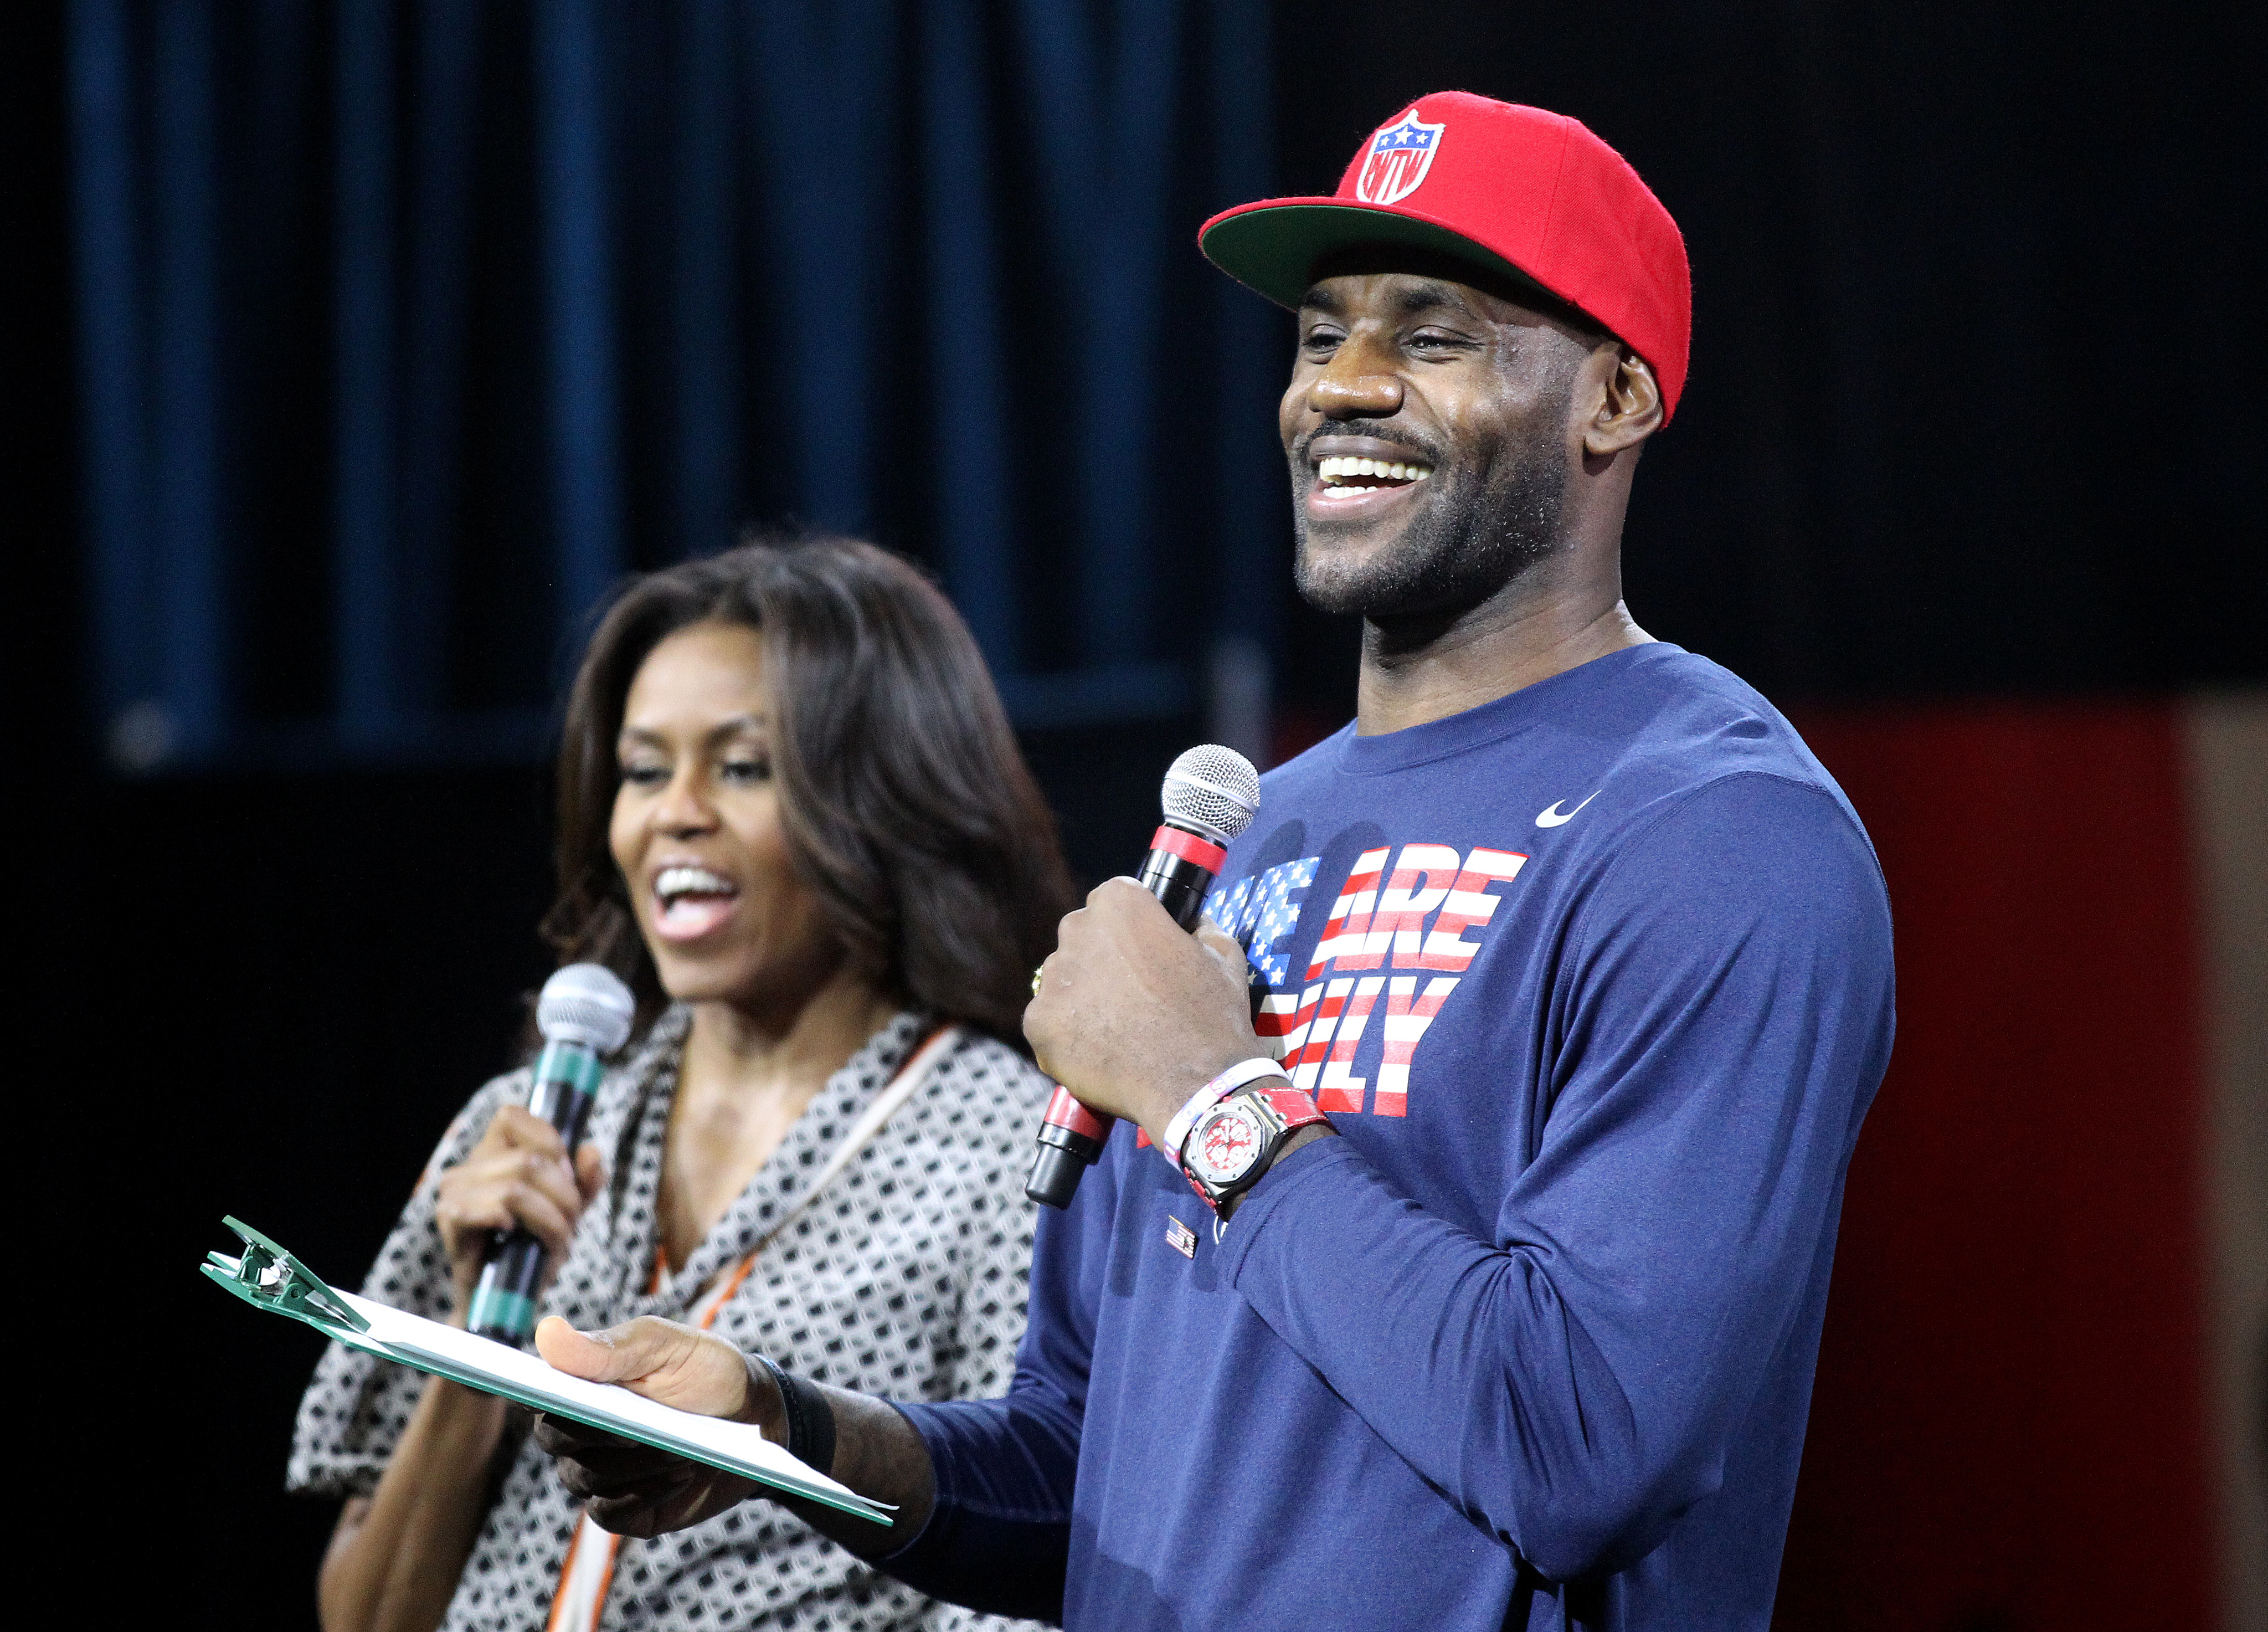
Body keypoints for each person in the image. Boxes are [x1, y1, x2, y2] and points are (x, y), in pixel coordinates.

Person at [529, 94, 1896, 1631]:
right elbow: (1079, 1467)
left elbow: (1578, 1443)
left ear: (1615, 398)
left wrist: (1205, 1092)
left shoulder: (1718, 833)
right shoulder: (1252, 840)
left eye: (1429, 337)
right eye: (1320, 338)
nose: (1344, 389)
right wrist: (784, 1432)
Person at [289, 538, 1072, 1632]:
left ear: (883, 800)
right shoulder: (524, 1133)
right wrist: (476, 1343)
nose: (676, 813)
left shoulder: (1010, 1152)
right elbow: (366, 1618)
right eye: (644, 770)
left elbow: (1025, 1566)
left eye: (742, 768)